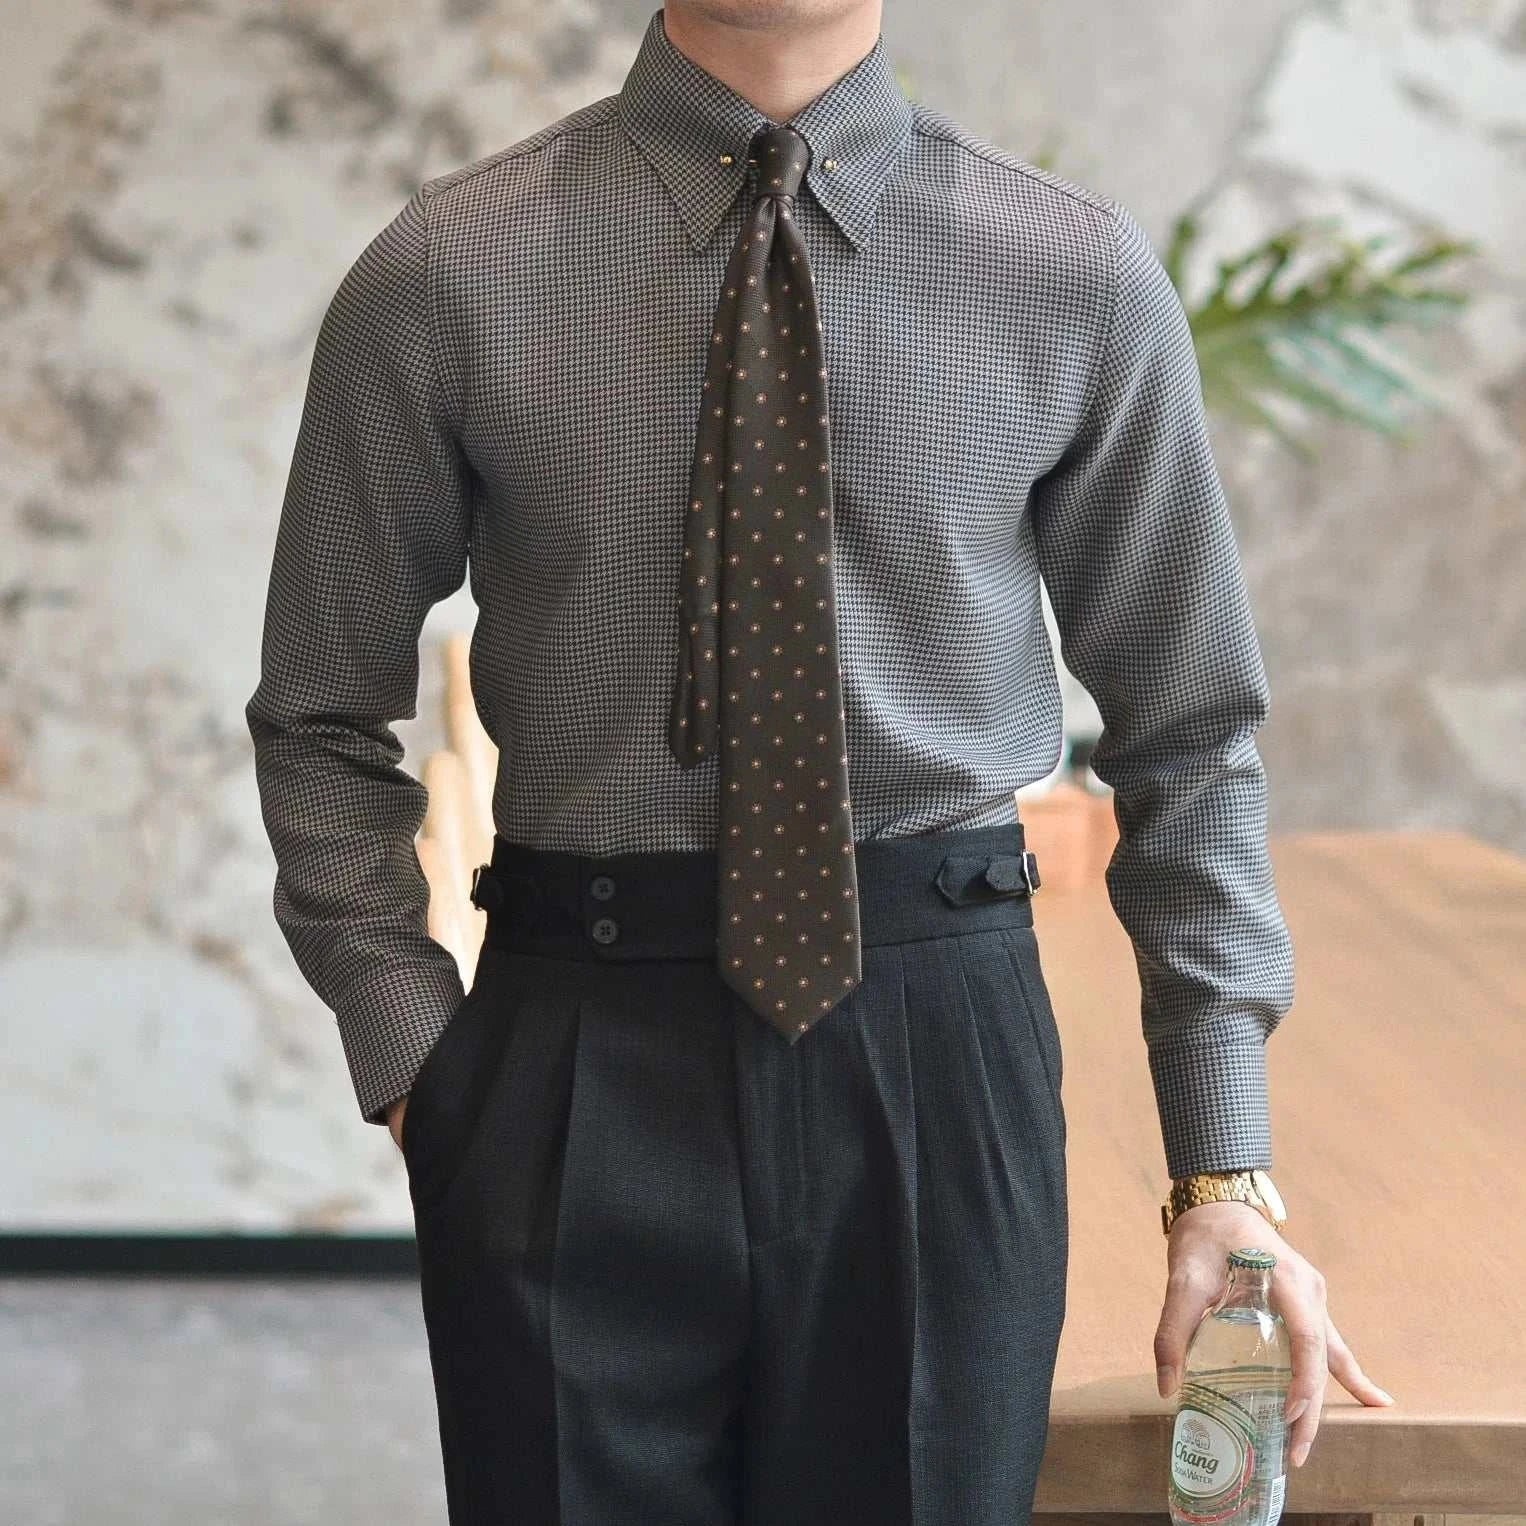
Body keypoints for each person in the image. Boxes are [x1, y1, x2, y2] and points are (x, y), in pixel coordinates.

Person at [244, 3, 1392, 1521]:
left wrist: (1223, 1175)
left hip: (936, 1048)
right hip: (572, 1059)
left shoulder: (1067, 273)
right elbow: (319, 713)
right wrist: (422, 1068)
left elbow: (1188, 731)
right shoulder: (449, 268)